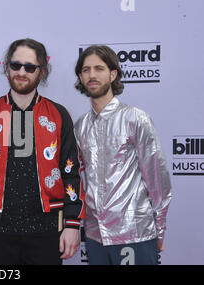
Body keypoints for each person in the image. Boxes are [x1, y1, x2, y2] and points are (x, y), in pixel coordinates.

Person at [0, 38, 85, 265]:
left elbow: (71, 172)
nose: (21, 72)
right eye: (16, 65)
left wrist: (72, 224)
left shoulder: (58, 114)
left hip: (47, 232)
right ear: (7, 67)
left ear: (41, 72)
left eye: (30, 67)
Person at [73, 45, 173, 265]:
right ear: (80, 77)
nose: (92, 75)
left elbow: (158, 180)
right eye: (86, 70)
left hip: (133, 232)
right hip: (94, 235)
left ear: (113, 74)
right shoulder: (80, 126)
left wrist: (160, 229)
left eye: (99, 68)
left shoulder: (135, 118)